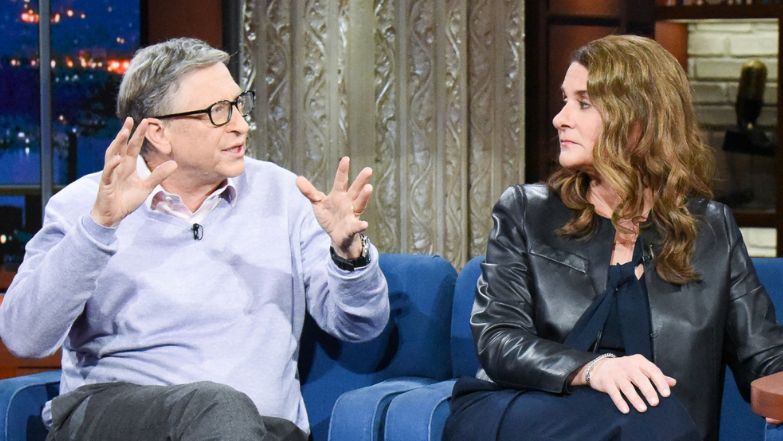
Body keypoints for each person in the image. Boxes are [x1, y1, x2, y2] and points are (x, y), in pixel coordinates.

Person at [0, 37, 389, 441]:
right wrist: (99, 228)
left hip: (258, 430)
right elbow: (25, 337)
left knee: (228, 414)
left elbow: (361, 326)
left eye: (239, 105)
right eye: (218, 112)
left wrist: (350, 257)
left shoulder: (285, 196)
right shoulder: (87, 205)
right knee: (217, 405)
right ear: (158, 132)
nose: (241, 125)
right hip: (114, 420)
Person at [443, 34, 783, 441]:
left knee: (651, 414)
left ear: (639, 118)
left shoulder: (710, 230)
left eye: (584, 103)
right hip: (529, 409)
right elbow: (499, 339)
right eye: (565, 100)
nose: (560, 118)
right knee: (650, 416)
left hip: (656, 426)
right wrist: (594, 370)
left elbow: (764, 356)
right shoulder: (526, 211)